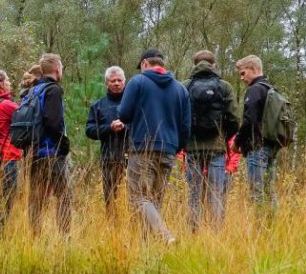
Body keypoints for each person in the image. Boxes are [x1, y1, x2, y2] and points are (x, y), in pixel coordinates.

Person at [114, 49, 192, 244]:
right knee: (154, 201)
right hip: (169, 150)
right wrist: (175, 147)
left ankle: (165, 236)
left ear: (144, 64)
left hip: (142, 147)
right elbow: (186, 126)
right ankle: (148, 250)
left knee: (138, 199)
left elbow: (123, 114)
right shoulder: (181, 89)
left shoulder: (137, 82)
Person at [183, 50, 240, 233]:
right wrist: (223, 136)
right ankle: (217, 234)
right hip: (216, 149)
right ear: (214, 64)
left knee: (194, 193)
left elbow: (179, 118)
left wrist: (185, 139)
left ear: (194, 64)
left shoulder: (185, 86)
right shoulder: (224, 87)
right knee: (216, 193)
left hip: (192, 148)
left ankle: (194, 233)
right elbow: (234, 119)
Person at [24, 54, 74, 237]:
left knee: (36, 198)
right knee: (64, 195)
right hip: (51, 152)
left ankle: (34, 236)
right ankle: (64, 237)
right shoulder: (53, 90)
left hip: (34, 153)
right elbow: (53, 122)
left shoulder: (33, 90)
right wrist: (64, 144)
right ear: (56, 68)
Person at [234, 55, 281, 222]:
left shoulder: (254, 90)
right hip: (271, 147)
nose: (242, 78)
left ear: (253, 69)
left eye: (243, 73)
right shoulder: (270, 88)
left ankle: (259, 230)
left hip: (257, 147)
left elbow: (249, 120)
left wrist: (237, 142)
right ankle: (273, 225)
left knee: (256, 192)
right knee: (270, 190)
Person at [85, 66, 131, 216]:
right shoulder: (98, 105)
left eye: (119, 80)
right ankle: (112, 227)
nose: (116, 83)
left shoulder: (134, 103)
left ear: (125, 81)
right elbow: (90, 130)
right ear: (106, 83)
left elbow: (144, 126)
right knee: (111, 198)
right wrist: (109, 128)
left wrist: (125, 126)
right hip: (109, 159)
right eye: (113, 81)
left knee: (133, 197)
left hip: (134, 158)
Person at [0, 71, 25, 233]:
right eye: (7, 80)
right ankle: (0, 232)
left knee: (0, 194)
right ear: (1, 84)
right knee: (8, 195)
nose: (9, 83)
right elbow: (25, 114)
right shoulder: (6, 105)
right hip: (8, 154)